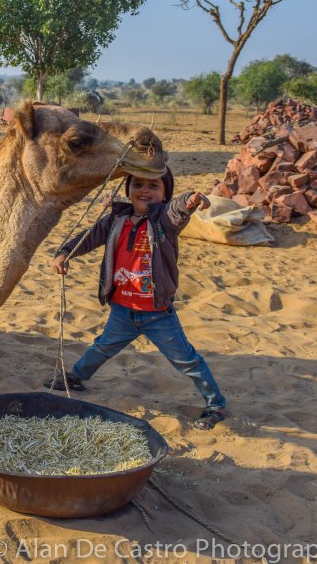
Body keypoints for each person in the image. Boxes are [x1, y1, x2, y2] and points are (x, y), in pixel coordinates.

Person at [43, 168, 228, 430]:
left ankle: (216, 404)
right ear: (128, 189)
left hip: (156, 312)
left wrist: (190, 199)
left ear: (165, 194)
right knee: (103, 345)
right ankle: (75, 376)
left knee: (186, 359)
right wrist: (65, 253)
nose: (144, 190)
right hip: (122, 309)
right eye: (138, 184)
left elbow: (179, 209)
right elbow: (89, 237)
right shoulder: (117, 219)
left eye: (153, 186)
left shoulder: (165, 220)